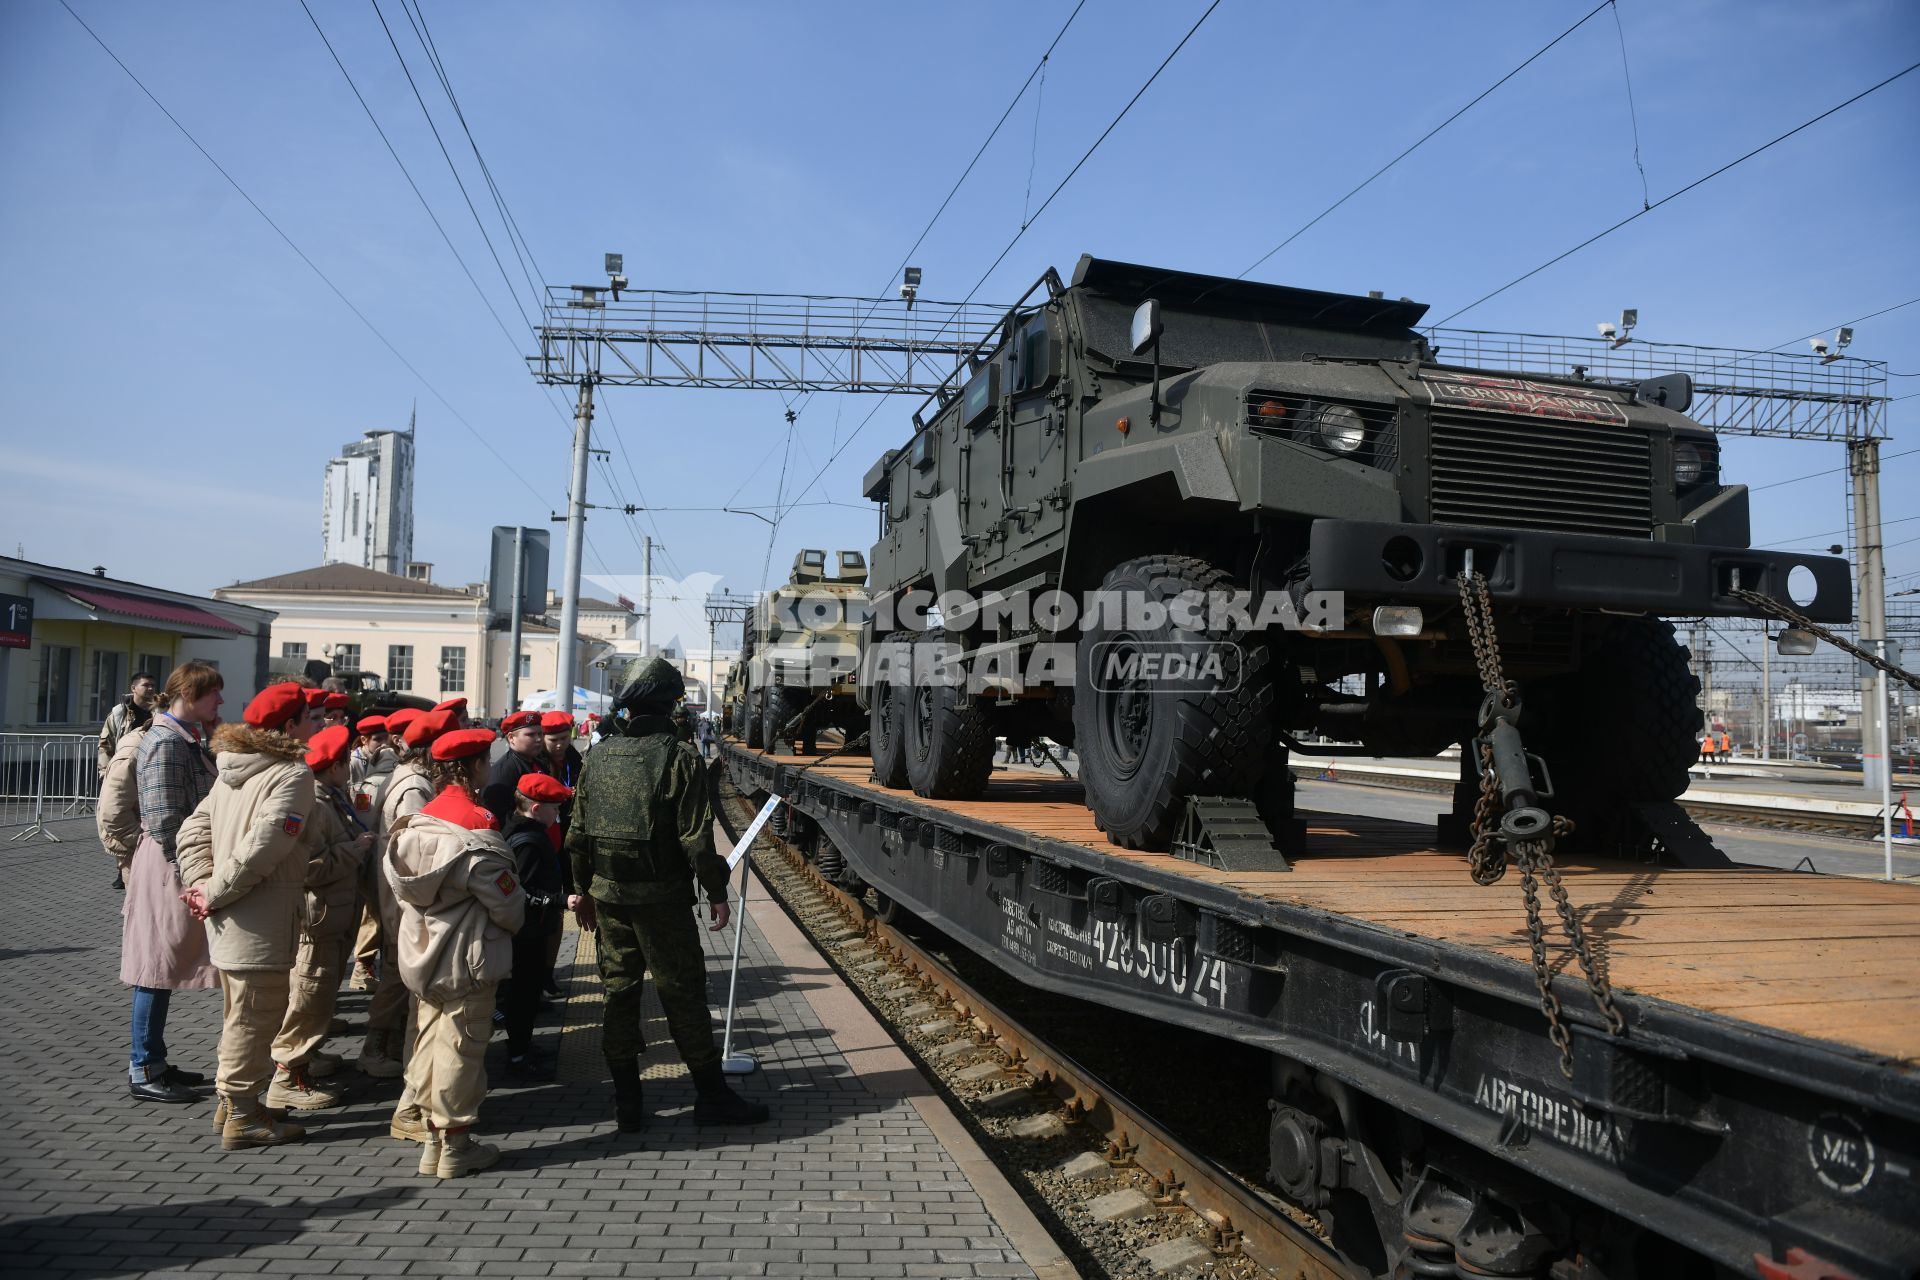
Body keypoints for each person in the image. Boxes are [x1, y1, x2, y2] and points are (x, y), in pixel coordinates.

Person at [565, 657, 768, 1132]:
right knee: (683, 995)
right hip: (663, 902)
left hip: (610, 898)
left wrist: (582, 892)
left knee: (619, 993)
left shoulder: (598, 755)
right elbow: (695, 838)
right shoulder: (679, 757)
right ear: (670, 704)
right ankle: (712, 1096)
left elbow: (578, 836)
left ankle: (628, 1104)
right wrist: (717, 892)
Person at [176, 682, 320, 1150]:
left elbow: (192, 832)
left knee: (241, 1014)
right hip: (260, 918)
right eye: (308, 717)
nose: (315, 725)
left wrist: (203, 886)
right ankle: (244, 1114)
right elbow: (264, 849)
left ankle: (233, 1103)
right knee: (254, 1019)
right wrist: (211, 891)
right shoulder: (291, 775)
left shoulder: (231, 769)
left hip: (232, 915)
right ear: (288, 726)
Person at [386, 726, 525, 1178]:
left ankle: (431, 1139)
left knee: (428, 1041)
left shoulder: (420, 819)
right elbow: (508, 907)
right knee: (462, 1049)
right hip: (467, 956)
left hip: (423, 954)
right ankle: (455, 1143)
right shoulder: (477, 827)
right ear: (478, 765)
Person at [120, 661, 223, 1104]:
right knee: (153, 966)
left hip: (174, 862)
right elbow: (165, 818)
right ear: (189, 693)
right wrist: (187, 873)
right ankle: (143, 1065)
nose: (219, 701)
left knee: (160, 966)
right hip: (169, 865)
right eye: (212, 693)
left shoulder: (181, 736)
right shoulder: (166, 741)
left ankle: (154, 1059)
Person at [262, 725, 371, 1106]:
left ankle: (306, 1058)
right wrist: (356, 850)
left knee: (320, 997)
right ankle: (287, 1078)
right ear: (336, 766)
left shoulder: (331, 797)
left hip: (335, 915)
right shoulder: (318, 805)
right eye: (345, 763)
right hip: (319, 918)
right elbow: (311, 868)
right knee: (308, 996)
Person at [356, 707, 444, 1137]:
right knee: (399, 973)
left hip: (397, 891)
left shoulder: (413, 778)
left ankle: (385, 1045)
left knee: (397, 969)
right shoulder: (414, 785)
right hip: (403, 893)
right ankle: (378, 1047)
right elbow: (416, 844)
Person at [500, 773, 569, 1081]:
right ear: (537, 808)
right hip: (527, 931)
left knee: (527, 993)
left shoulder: (528, 829)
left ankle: (524, 1047)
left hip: (532, 929)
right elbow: (524, 890)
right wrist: (560, 901)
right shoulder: (528, 840)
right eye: (555, 808)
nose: (559, 814)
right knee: (523, 996)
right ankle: (518, 1055)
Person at [540, 711, 583, 995]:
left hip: (567, 841)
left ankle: (547, 972)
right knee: (546, 913)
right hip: (544, 843)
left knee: (558, 913)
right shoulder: (537, 763)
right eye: (554, 740)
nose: (559, 745)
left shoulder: (574, 759)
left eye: (565, 738)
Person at [99, 716, 154, 890]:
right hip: (136, 848)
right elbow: (113, 812)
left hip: (152, 849)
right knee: (141, 911)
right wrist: (143, 842)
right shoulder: (133, 752)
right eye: (146, 685)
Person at [482, 710, 551, 830]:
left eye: (540, 734)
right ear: (511, 738)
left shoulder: (539, 763)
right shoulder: (503, 772)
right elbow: (497, 816)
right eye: (530, 735)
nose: (539, 739)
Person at [99, 672, 159, 780]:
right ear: (133, 688)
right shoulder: (119, 714)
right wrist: (105, 774)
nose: (150, 689)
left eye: (153, 686)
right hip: (124, 773)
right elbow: (105, 745)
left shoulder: (160, 714)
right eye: (146, 685)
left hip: (152, 773)